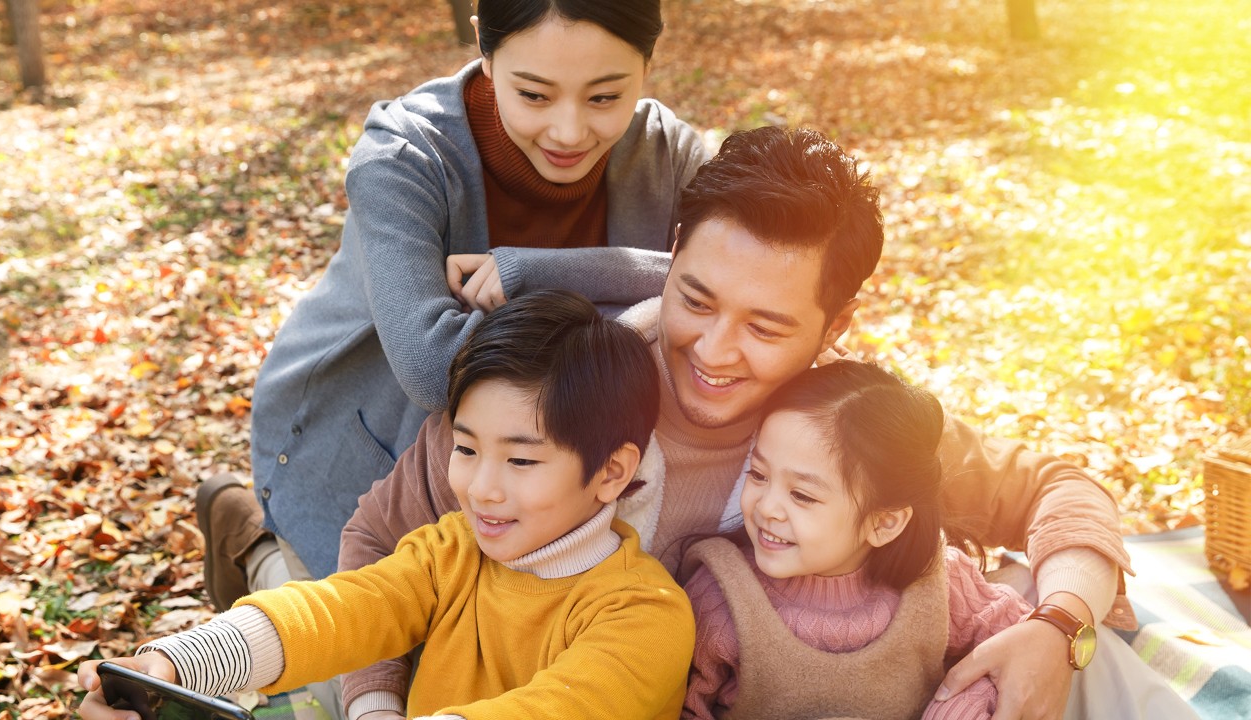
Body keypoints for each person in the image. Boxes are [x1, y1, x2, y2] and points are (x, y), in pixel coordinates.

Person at [339, 126, 1199, 720]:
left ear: (837, 327)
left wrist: (1059, 632)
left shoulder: (841, 426)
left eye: (767, 326)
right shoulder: (554, 392)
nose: (714, 351)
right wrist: (376, 704)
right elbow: (376, 541)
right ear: (670, 263)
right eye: (696, 298)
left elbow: (1057, 487)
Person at [203, 0, 707, 611]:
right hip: (368, 450)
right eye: (535, 94)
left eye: (605, 97)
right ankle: (248, 537)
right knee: (353, 677)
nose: (570, 132)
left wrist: (532, 271)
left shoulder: (670, 154)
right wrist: (670, 288)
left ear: (648, 64)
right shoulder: (404, 158)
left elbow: (751, 284)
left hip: (558, 479)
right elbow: (434, 365)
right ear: (485, 52)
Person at [77, 290, 694, 720]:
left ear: (612, 471)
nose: (481, 487)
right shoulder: (452, 550)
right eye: (466, 449)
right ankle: (247, 537)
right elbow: (347, 608)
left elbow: (554, 709)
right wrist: (177, 663)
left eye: (522, 460)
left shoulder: (647, 617)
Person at [680, 361, 1033, 719]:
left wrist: (958, 708)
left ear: (884, 523)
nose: (767, 507)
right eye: (758, 474)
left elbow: (1023, 649)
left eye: (802, 495)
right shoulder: (720, 599)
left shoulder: (939, 583)